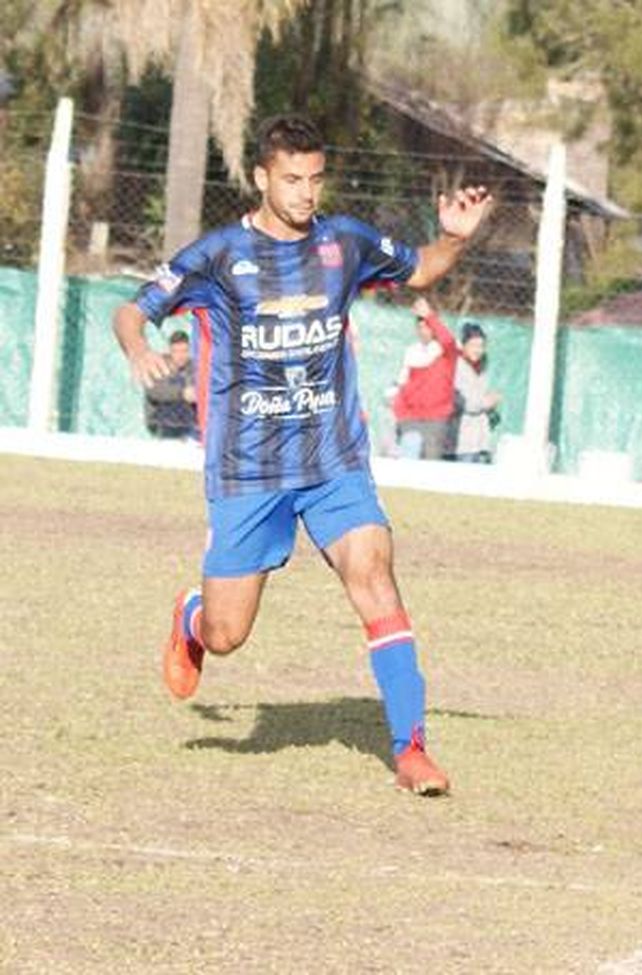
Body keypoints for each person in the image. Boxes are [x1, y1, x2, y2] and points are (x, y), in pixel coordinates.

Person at [111, 114, 493, 796]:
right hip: (248, 467)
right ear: (262, 177)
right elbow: (132, 311)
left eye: (315, 178)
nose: (305, 192)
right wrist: (139, 347)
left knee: (374, 574)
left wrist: (453, 240)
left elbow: (423, 268)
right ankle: (192, 618)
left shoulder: (343, 243)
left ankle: (411, 751)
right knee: (229, 635)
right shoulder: (220, 254)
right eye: (291, 179)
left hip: (332, 458)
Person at [391, 295, 459, 460]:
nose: (424, 331)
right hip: (411, 417)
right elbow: (403, 384)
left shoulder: (445, 351)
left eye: (427, 327)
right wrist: (400, 411)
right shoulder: (412, 352)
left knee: (430, 462)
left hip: (436, 418)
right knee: (409, 453)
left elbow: (448, 340)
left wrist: (429, 315)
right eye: (420, 327)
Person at [451, 322, 501, 463]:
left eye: (481, 346)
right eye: (474, 345)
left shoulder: (481, 370)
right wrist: (488, 401)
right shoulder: (457, 369)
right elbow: (467, 404)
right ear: (463, 345)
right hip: (463, 445)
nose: (478, 350)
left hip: (480, 443)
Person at [143, 330, 196, 439]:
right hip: (161, 421)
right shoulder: (158, 365)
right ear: (170, 351)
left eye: (184, 351)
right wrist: (182, 393)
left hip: (187, 421)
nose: (180, 356)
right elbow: (154, 391)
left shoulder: (194, 367)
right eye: (176, 351)